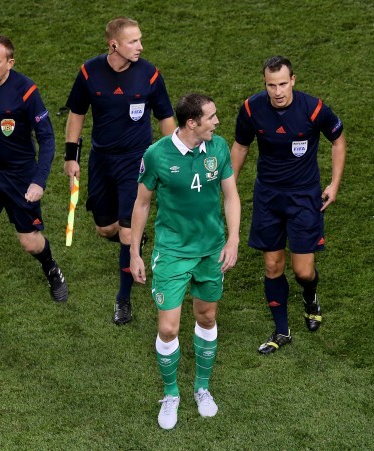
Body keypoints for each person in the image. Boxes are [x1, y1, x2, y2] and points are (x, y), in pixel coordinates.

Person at [130, 93, 240, 430]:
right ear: (191, 122)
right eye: (211, 117)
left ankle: (202, 387)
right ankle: (171, 393)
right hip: (173, 253)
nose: (217, 122)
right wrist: (134, 252)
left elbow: (231, 195)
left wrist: (233, 238)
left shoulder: (218, 148)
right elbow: (142, 204)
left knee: (207, 318)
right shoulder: (157, 155)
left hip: (211, 250)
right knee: (168, 327)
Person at [230, 56, 347, 354]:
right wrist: (228, 184)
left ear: (293, 80)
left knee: (303, 271)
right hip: (268, 197)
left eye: (283, 84)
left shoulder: (313, 108)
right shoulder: (252, 108)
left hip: (304, 197)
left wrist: (334, 183)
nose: (278, 91)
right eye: (271, 85)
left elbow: (338, 140)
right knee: (272, 265)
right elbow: (241, 146)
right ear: (265, 84)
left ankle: (310, 298)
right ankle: (281, 331)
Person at [64, 16, 175, 325]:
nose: (140, 46)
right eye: (133, 41)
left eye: (139, 40)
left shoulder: (150, 75)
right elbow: (76, 114)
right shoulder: (89, 72)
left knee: (127, 235)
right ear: (114, 45)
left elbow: (166, 118)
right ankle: (134, 240)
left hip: (136, 162)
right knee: (106, 229)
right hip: (101, 160)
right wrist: (71, 156)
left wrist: (177, 156)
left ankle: (123, 299)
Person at [0, 34, 68, 342]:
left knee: (30, 242)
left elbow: (47, 139)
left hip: (19, 177)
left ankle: (51, 268)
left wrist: (38, 180)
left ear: (10, 63)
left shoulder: (27, 91)